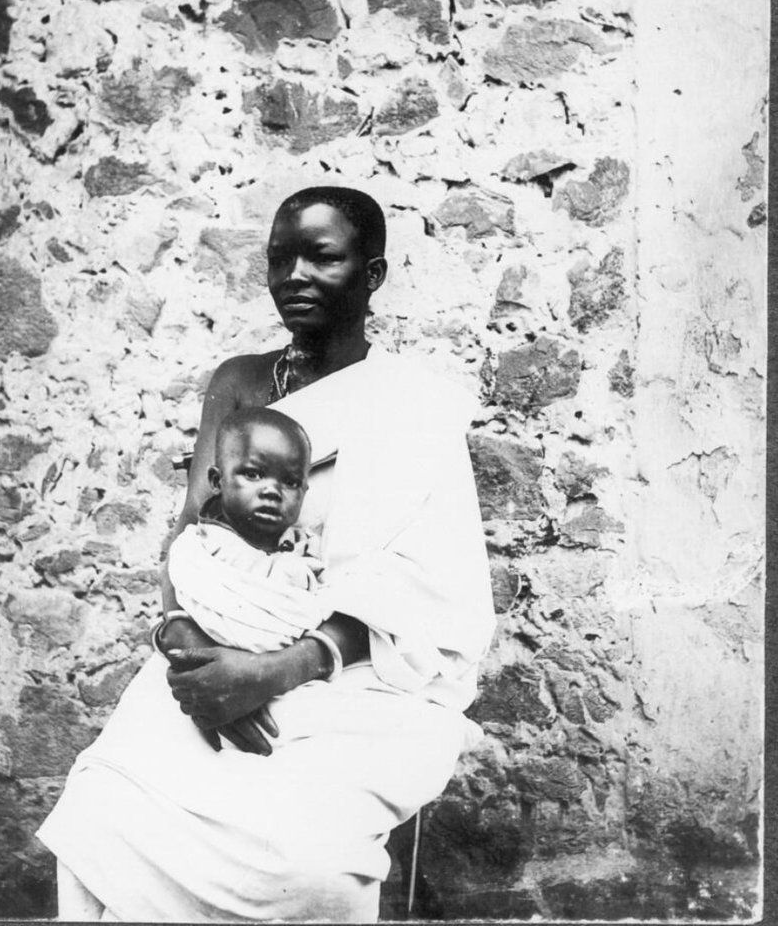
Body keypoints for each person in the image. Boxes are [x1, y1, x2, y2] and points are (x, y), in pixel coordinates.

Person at [37, 186, 497, 923]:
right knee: (103, 806)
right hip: (213, 645)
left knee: (311, 863)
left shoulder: (414, 404)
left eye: (321, 256)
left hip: (354, 671)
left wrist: (273, 672)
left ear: (371, 274)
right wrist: (187, 652)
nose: (294, 276)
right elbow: (190, 538)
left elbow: (426, 586)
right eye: (280, 258)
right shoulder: (238, 384)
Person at [164, 406, 331, 662]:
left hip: (279, 671)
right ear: (217, 481)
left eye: (290, 482)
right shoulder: (204, 549)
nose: (272, 491)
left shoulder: (305, 546)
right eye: (253, 474)